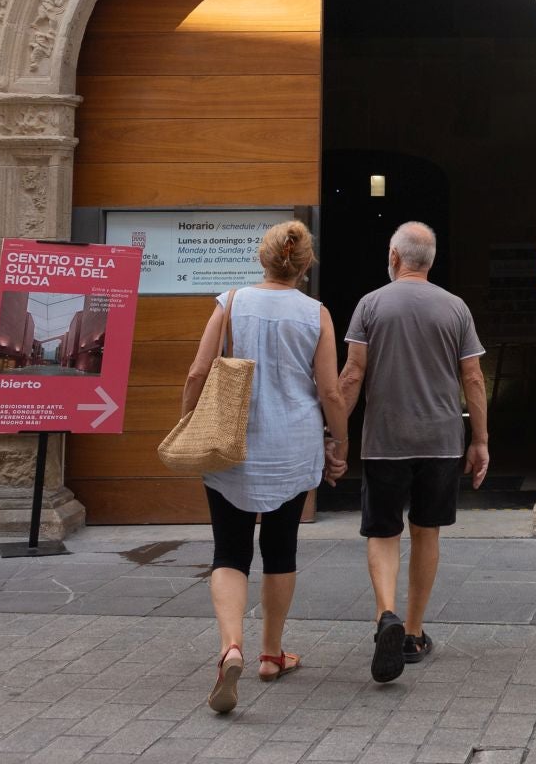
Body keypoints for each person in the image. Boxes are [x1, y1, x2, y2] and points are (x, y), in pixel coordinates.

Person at [182, 220, 349, 714]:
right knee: (281, 547)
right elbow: (331, 391)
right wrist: (339, 442)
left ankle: (230, 646)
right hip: (293, 445)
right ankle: (272, 654)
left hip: (231, 442)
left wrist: (188, 419)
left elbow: (198, 370)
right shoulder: (316, 314)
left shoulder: (230, 302)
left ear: (263, 258)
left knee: (229, 549)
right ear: (305, 264)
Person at [337, 221, 489, 684]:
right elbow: (474, 380)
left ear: (394, 256)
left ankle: (386, 614)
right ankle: (414, 633)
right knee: (426, 533)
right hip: (441, 440)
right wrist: (480, 440)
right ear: (430, 260)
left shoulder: (370, 305)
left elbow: (352, 376)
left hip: (385, 441)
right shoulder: (455, 308)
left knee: (383, 533)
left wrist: (334, 436)